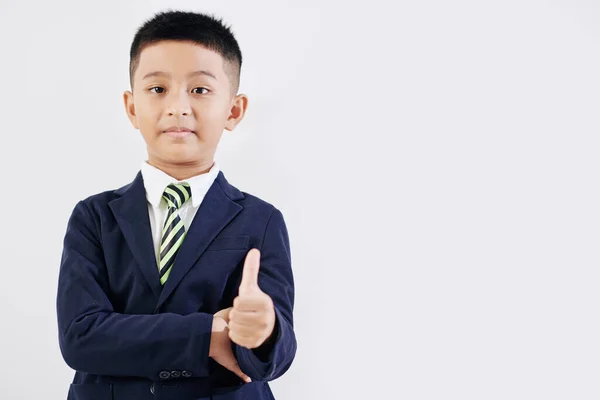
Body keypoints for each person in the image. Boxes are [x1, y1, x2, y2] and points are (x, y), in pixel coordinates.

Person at [56, 10, 296, 400]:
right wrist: (207, 335)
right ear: (132, 107)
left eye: (200, 90)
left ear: (233, 111)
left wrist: (263, 332)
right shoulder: (94, 217)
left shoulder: (261, 220)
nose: (178, 107)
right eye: (157, 89)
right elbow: (80, 337)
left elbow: (277, 355)